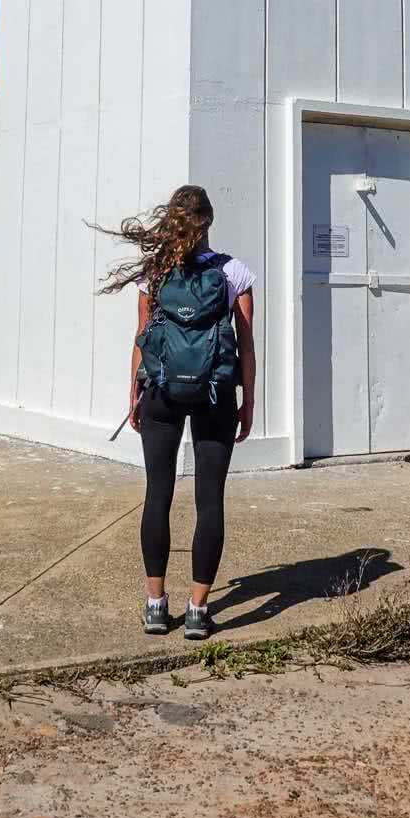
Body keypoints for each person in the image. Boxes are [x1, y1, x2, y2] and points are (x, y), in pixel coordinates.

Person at [98, 184, 256, 641]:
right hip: (215, 396)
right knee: (210, 501)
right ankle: (196, 611)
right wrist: (248, 401)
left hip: (161, 393)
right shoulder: (235, 273)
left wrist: (135, 391)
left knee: (158, 494)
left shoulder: (156, 272)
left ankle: (154, 605)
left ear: (173, 221)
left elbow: (142, 336)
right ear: (209, 222)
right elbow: (244, 344)